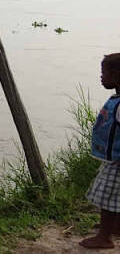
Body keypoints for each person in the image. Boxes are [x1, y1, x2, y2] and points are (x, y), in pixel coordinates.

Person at [81, 53, 120, 249]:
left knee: (107, 197)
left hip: (117, 161)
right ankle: (116, 226)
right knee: (115, 194)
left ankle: (104, 237)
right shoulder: (117, 100)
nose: (101, 77)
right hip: (114, 158)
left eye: (104, 73)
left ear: (116, 76)